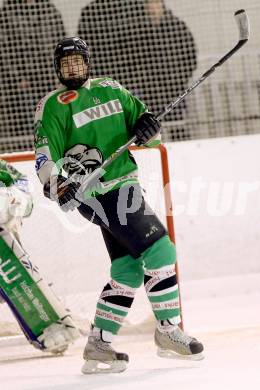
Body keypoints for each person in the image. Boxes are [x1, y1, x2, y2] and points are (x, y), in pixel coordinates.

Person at [34, 37, 204, 374]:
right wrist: (57, 184)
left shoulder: (112, 88)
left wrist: (149, 127)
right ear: (57, 68)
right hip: (96, 193)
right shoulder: (52, 105)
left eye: (77, 61)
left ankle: (100, 343)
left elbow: (148, 129)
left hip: (125, 184)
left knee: (127, 268)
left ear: (87, 62)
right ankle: (168, 330)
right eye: (65, 63)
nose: (72, 68)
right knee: (160, 251)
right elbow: (44, 156)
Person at [77, 0, 197, 141]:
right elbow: (136, 59)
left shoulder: (177, 27)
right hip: (149, 89)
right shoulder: (139, 29)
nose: (153, 7)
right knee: (148, 128)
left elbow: (191, 58)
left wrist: (177, 79)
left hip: (173, 88)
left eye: (156, 3)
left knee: (178, 127)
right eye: (149, 3)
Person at [0, 158, 80, 353]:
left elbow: (24, 191)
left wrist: (10, 200)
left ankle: (50, 319)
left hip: (7, 246)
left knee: (19, 283)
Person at [0, 0, 66, 153]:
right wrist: (17, 77)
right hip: (21, 82)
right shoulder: (8, 12)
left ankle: (54, 151)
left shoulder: (49, 9)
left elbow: (60, 43)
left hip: (48, 78)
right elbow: (4, 48)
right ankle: (30, 153)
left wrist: (57, 75)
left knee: (51, 117)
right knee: (27, 122)